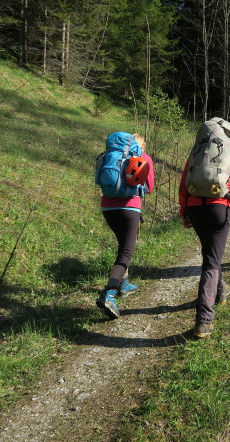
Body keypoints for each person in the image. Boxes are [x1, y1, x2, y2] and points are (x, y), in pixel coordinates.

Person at [179, 118, 230, 338]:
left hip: (195, 208)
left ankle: (220, 290)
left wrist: (184, 211)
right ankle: (204, 319)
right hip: (219, 208)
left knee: (211, 252)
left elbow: (184, 183)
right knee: (211, 260)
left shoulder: (196, 152)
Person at [96, 134, 155, 320]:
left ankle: (124, 283)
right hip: (129, 207)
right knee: (126, 252)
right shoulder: (143, 158)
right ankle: (110, 293)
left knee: (122, 246)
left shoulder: (108, 155)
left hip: (107, 206)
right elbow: (150, 187)